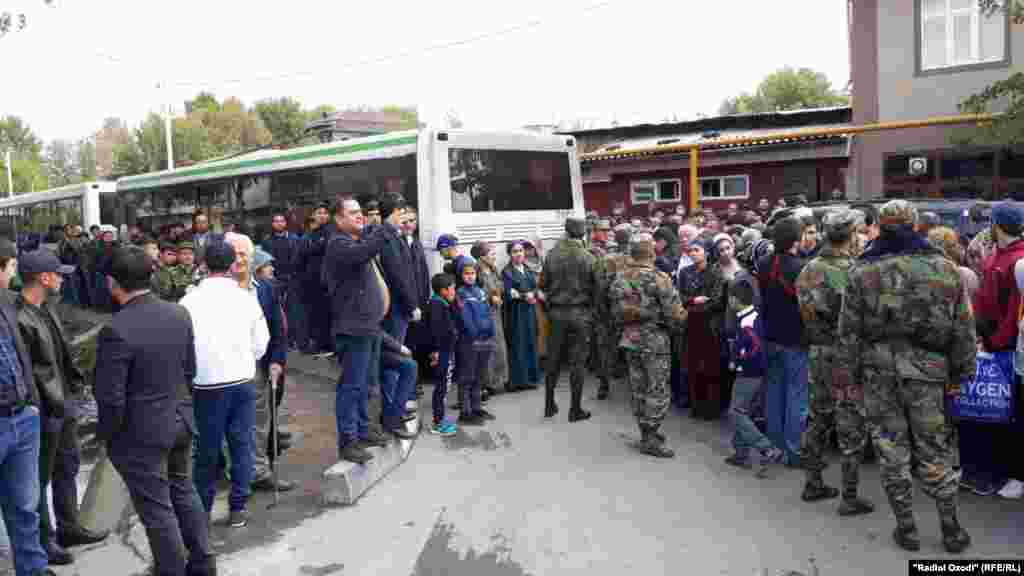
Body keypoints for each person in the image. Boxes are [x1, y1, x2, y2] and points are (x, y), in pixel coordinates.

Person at [834, 200, 975, 553]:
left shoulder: (861, 271)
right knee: (935, 447)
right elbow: (963, 327)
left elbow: (848, 332)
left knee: (890, 447)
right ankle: (951, 527)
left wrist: (847, 377)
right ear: (914, 224)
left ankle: (907, 528)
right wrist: (962, 372)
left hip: (878, 372)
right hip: (928, 373)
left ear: (881, 225)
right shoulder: (945, 268)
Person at [94, 246, 216, 576]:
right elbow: (189, 371)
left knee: (156, 509)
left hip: (143, 433)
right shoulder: (178, 313)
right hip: (180, 420)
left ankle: (172, 569)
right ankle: (203, 563)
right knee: (183, 491)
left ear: (112, 283)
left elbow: (111, 398)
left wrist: (108, 437)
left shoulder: (116, 330)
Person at [15, 251, 109, 566]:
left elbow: (60, 357)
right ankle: (45, 540)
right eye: (57, 273)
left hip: (63, 404)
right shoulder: (19, 317)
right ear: (44, 277)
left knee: (66, 468)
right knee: (39, 479)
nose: (62, 278)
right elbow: (29, 372)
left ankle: (68, 527)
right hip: (43, 411)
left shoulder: (47, 309)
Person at [180, 235, 269, 529]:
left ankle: (202, 512)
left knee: (206, 450)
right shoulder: (246, 300)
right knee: (242, 444)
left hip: (205, 386)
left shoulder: (188, 302)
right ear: (233, 264)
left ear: (203, 264)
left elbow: (182, 347)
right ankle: (238, 507)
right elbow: (261, 345)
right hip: (242, 382)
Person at [795, 209, 874, 515]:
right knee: (851, 424)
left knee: (818, 418)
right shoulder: (856, 271)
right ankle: (850, 495)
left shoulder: (808, 269)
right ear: (852, 235)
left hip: (817, 352)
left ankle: (812, 482)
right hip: (846, 355)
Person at [322, 196, 401, 464]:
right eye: (353, 212)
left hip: (368, 326)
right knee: (351, 386)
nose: (360, 216)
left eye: (360, 212)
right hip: (352, 328)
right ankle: (348, 441)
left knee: (367, 384)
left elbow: (367, 246)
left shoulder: (355, 241)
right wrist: (387, 227)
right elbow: (362, 253)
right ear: (338, 218)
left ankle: (364, 430)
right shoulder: (338, 244)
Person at [0, 241, 57, 576]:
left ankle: (33, 569)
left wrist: (33, 405)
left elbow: (22, 356)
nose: (13, 275)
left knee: (24, 506)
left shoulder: (9, 304)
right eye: (9, 268)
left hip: (22, 419)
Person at [608, 233, 687, 458]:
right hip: (655, 341)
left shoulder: (620, 278)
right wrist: (681, 321)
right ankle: (651, 437)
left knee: (638, 387)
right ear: (651, 253)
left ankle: (645, 431)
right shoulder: (659, 278)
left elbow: (614, 312)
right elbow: (675, 315)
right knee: (658, 388)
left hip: (630, 339)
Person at [756, 216, 808, 467]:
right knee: (796, 395)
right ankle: (794, 452)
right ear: (796, 240)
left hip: (770, 335)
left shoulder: (764, 262)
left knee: (774, 393)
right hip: (795, 338)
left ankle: (774, 446)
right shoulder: (801, 267)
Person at [245, 246, 294, 493]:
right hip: (227, 366)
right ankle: (236, 471)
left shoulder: (265, 289)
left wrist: (277, 360)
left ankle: (258, 471)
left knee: (260, 419)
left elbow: (277, 329)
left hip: (259, 364)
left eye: (245, 255)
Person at [723, 278, 782, 475]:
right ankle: (741, 453)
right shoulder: (751, 316)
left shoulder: (747, 323)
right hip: (754, 373)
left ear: (734, 300)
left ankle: (767, 448)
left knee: (736, 412)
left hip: (749, 374)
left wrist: (737, 362)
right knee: (743, 411)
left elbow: (753, 350)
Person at [540, 218, 597, 422]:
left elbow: (543, 283)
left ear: (566, 231)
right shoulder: (588, 257)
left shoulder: (552, 255)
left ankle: (549, 405)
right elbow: (596, 288)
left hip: (556, 313)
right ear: (582, 234)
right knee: (578, 362)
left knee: (553, 359)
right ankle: (575, 409)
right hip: (580, 314)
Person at [676, 238, 726, 420]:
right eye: (690, 250)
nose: (693, 253)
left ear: (706, 252)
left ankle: (711, 408)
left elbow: (717, 299)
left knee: (711, 368)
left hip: (709, 325)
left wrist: (693, 304)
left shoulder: (715, 271)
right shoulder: (684, 272)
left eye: (697, 249)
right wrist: (693, 301)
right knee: (693, 366)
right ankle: (696, 406)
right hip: (691, 325)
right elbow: (679, 296)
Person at [453, 257, 496, 426]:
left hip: (485, 340)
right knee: (467, 376)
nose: (470, 276)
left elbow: (487, 313)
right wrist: (476, 334)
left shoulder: (480, 292)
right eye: (466, 273)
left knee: (479, 375)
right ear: (461, 275)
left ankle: (477, 408)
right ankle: (465, 411)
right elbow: (466, 319)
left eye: (472, 273)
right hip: (469, 341)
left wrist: (490, 332)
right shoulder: (460, 294)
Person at [593, 229, 632, 400]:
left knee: (605, 350)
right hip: (630, 312)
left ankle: (604, 385)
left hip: (609, 311)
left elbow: (600, 287)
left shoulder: (607, 259)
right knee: (632, 348)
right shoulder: (635, 259)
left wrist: (601, 309)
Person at [378, 193, 419, 343]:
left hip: (400, 305)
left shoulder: (395, 236)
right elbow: (397, 275)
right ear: (393, 212)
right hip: (396, 307)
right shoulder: (387, 237)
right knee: (394, 352)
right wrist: (411, 305)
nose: (403, 218)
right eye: (401, 213)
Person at [471, 242, 509, 398]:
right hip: (485, 314)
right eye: (490, 253)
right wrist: (489, 297)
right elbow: (475, 293)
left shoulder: (494, 270)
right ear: (481, 257)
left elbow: (500, 286)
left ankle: (499, 380)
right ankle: (487, 383)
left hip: (496, 313)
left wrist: (498, 294)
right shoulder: (476, 272)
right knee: (488, 349)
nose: (493, 256)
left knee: (499, 347)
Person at [502, 241, 541, 393]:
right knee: (519, 344)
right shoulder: (507, 272)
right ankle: (519, 381)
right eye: (514, 251)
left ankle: (531, 378)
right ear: (510, 254)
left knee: (531, 341)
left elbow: (535, 286)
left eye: (520, 250)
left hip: (530, 312)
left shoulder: (527, 269)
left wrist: (535, 294)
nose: (518, 254)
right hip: (516, 313)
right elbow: (509, 293)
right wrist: (525, 295)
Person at [426, 273, 459, 437]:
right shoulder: (436, 306)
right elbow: (436, 332)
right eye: (452, 289)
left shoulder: (442, 303)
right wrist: (436, 352)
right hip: (442, 354)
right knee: (441, 388)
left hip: (446, 352)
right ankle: (438, 422)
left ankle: (440, 419)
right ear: (443, 291)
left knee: (443, 388)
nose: (455, 291)